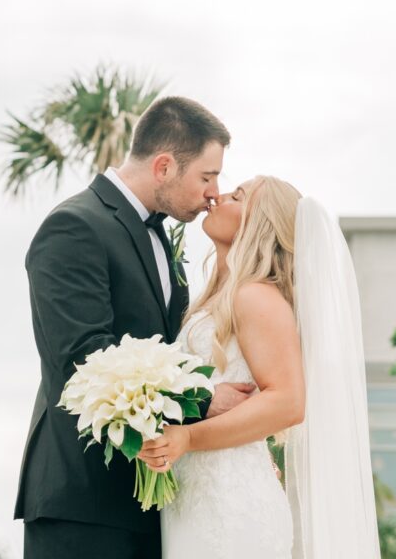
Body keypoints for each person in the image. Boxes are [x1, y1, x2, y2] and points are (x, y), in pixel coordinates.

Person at [15, 96, 250, 559]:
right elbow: (84, 358)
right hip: (83, 502)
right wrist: (204, 396)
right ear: (163, 166)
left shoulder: (163, 234)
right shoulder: (73, 227)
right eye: (206, 176)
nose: (213, 192)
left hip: (153, 503)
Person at [140, 176, 381, 559]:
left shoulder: (255, 297)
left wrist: (188, 439)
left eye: (238, 196)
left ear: (258, 225)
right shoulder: (216, 298)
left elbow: (288, 402)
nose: (217, 195)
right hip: (197, 495)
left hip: (230, 501)